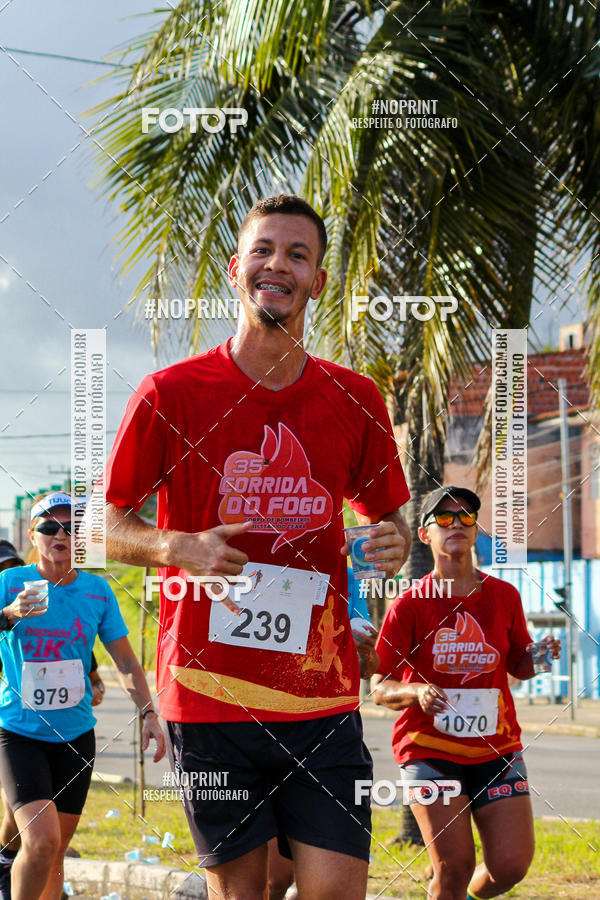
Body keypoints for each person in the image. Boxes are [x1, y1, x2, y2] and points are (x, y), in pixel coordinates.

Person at [104, 194, 412, 900]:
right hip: (211, 700)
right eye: (265, 251)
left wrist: (392, 541)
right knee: (243, 895)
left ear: (318, 281)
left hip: (319, 698)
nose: (279, 265)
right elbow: (103, 524)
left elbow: (388, 518)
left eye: (298, 255)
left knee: (337, 891)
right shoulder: (171, 393)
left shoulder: (354, 397)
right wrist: (178, 546)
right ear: (238, 268)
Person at [372, 486, 561, 900]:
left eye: (465, 517)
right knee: (454, 868)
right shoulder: (409, 604)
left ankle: (461, 892)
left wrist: (540, 656)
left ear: (476, 530)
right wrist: (415, 691)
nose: (455, 524)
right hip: (429, 751)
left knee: (510, 866)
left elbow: (519, 666)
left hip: (496, 750)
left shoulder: (503, 596)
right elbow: (378, 686)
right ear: (424, 535)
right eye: (443, 518)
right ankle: (447, 884)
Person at [0, 492, 165, 900]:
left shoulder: (97, 591)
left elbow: (125, 660)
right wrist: (9, 615)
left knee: (55, 854)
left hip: (75, 738)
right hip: (18, 733)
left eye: (73, 527)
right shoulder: (9, 583)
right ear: (32, 535)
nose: (61, 534)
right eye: (49, 527)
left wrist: (148, 713)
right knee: (39, 843)